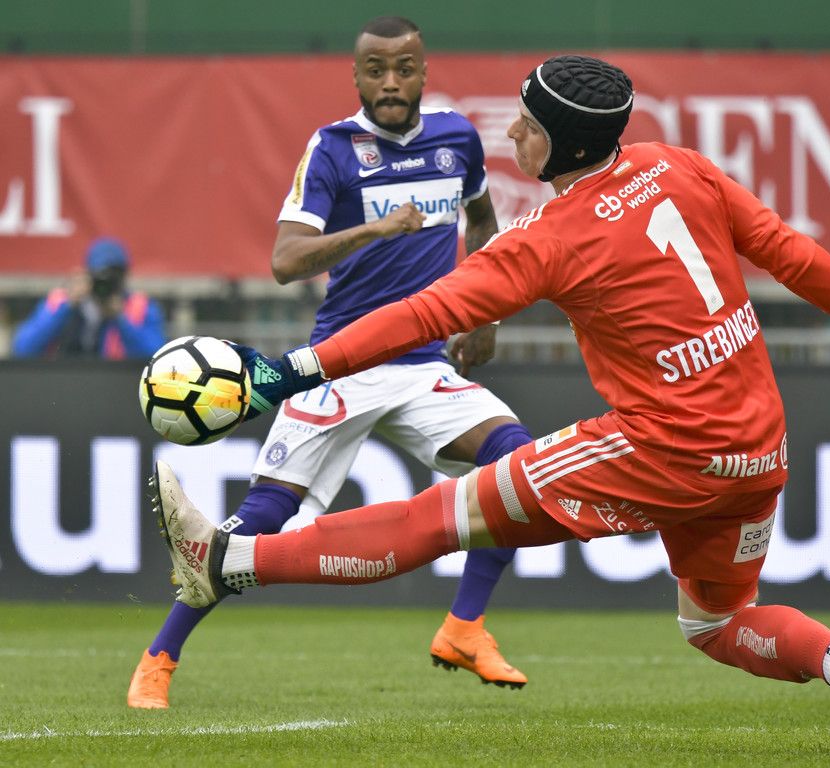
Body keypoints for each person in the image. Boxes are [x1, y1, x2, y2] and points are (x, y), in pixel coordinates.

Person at [151, 55, 830, 755]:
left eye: (526, 124)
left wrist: (289, 372)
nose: (512, 133)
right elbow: (784, 247)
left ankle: (225, 563)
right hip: (758, 450)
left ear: (561, 145)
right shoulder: (680, 166)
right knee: (717, 623)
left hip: (661, 448)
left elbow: (424, 315)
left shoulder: (553, 236)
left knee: (440, 518)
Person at [126, 16, 532, 709]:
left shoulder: (458, 139)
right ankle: (159, 658)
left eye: (404, 68)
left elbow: (484, 223)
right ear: (356, 77)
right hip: (340, 363)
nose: (391, 82)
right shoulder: (333, 149)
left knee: (519, 468)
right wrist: (375, 228)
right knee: (261, 518)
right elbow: (285, 261)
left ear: (424, 73)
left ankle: (465, 627)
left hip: (423, 364)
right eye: (376, 70)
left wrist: (485, 317)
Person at [12, 237, 165, 359]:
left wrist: (121, 319)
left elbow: (156, 357)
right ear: (88, 274)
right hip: (63, 381)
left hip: (115, 383)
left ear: (125, 276)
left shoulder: (140, 307)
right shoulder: (61, 301)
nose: (105, 284)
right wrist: (67, 306)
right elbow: (23, 348)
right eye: (100, 276)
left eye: (113, 277)